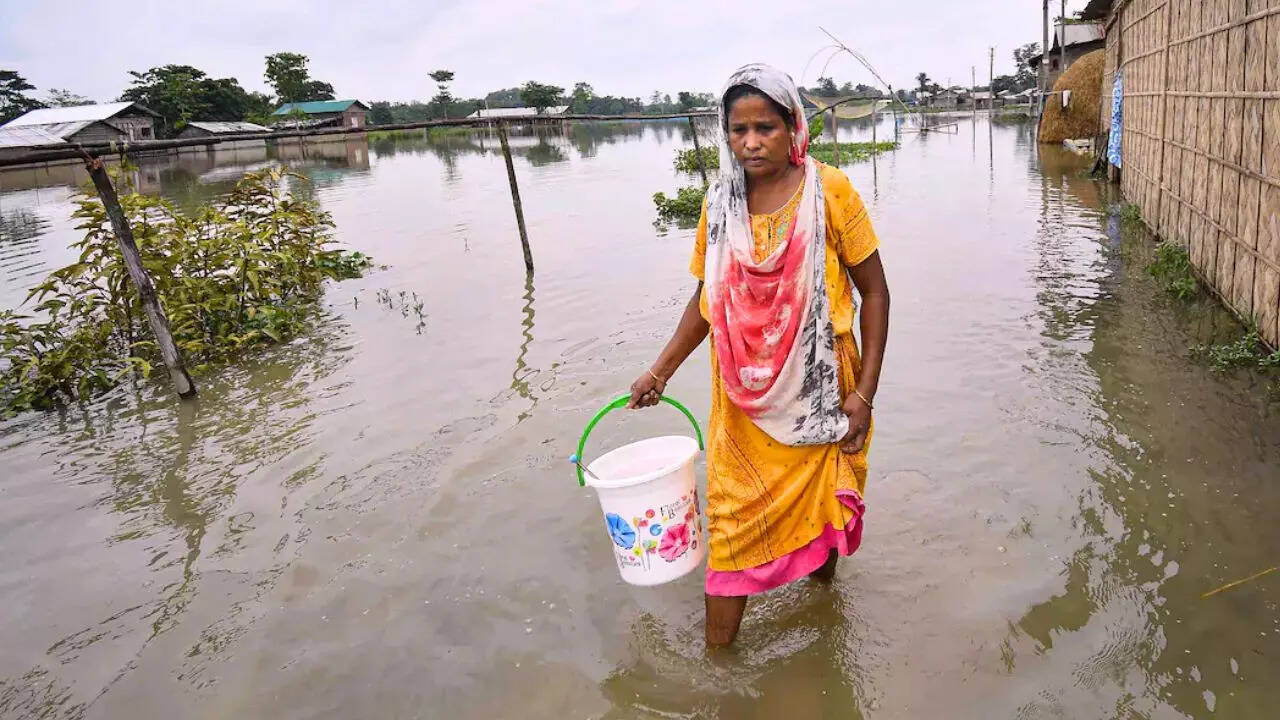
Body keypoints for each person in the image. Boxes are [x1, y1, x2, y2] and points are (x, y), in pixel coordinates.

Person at [627, 64, 890, 646]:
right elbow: (707, 298)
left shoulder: (832, 191)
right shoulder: (719, 203)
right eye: (738, 129)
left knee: (823, 508)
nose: (750, 142)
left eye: (765, 127)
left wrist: (864, 394)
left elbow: (874, 290)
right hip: (743, 404)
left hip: (823, 393)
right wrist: (660, 370)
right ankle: (720, 667)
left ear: (792, 127)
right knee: (730, 525)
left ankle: (826, 624)